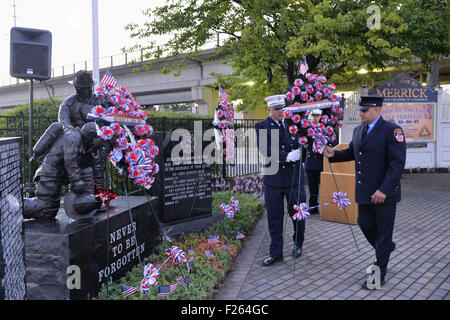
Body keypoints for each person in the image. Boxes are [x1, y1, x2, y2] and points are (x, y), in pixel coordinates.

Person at [322, 96, 406, 289]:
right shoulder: (359, 130)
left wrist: (384, 190)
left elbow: (397, 164)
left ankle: (377, 276)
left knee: (384, 234)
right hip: (365, 192)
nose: (361, 113)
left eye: (364, 110)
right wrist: (334, 154)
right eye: (360, 110)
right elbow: (353, 152)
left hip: (384, 194)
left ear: (377, 110)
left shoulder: (392, 131)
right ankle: (385, 248)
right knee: (364, 223)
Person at [255, 94, 307, 266]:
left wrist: (303, 149)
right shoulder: (262, 126)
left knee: (298, 215)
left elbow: (304, 143)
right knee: (274, 218)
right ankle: (276, 252)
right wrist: (287, 156)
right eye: (277, 109)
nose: (280, 112)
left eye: (282, 108)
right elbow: (265, 150)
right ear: (269, 109)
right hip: (274, 179)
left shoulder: (294, 124)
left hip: (294, 178)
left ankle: (298, 244)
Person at [23, 122, 102, 220]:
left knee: (48, 212)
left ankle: (10, 206)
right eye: (95, 138)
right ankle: (10, 206)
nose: (96, 141)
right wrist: (77, 181)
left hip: (53, 175)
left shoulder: (77, 138)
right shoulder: (74, 138)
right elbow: (70, 161)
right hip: (49, 175)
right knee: (43, 208)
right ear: (89, 135)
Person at [58, 70, 108, 188]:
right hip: (77, 142)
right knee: (76, 169)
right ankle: (77, 195)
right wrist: (74, 132)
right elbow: (64, 121)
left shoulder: (99, 100)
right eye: (83, 88)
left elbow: (109, 118)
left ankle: (101, 197)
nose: (86, 91)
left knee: (98, 169)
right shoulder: (68, 103)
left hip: (96, 140)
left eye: (88, 88)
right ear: (76, 88)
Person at [304, 109, 324, 214]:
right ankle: (313, 206)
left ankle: (325, 207)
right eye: (314, 115)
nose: (316, 117)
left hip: (321, 162)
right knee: (312, 188)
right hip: (310, 162)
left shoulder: (325, 128)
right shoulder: (307, 129)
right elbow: (304, 145)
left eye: (318, 115)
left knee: (324, 187)